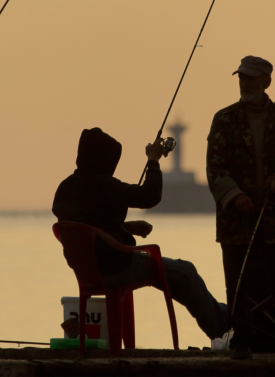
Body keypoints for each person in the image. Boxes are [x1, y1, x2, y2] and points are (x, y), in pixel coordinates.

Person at [52, 127, 229, 342]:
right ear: (102, 159)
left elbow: (87, 225)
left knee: (177, 275)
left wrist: (125, 227)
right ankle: (223, 330)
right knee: (185, 272)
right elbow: (149, 196)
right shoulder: (104, 185)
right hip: (118, 267)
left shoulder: (64, 189)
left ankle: (222, 315)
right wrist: (153, 160)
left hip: (88, 272)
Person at [206, 55, 275, 358]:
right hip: (234, 221)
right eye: (242, 77)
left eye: (251, 78)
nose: (245, 83)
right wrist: (235, 196)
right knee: (237, 285)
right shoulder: (224, 119)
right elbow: (215, 167)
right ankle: (243, 343)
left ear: (266, 82)